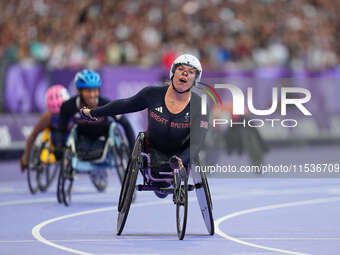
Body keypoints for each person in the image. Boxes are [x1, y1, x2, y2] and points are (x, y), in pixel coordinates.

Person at [80, 54, 209, 198]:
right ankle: (160, 179)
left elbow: (197, 142)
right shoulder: (152, 94)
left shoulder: (200, 104)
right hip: (154, 151)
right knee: (158, 177)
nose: (185, 73)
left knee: (182, 157)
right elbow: (124, 105)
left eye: (191, 72)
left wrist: (182, 159)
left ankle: (173, 171)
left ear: (195, 79)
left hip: (180, 155)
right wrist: (94, 112)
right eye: (181, 69)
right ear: (173, 72)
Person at [54, 69, 135, 162]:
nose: (92, 95)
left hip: (103, 137)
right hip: (83, 137)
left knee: (98, 150)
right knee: (83, 151)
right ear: (79, 91)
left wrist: (132, 150)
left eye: (95, 90)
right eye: (88, 91)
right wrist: (58, 147)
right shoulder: (68, 105)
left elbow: (126, 123)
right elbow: (61, 129)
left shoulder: (105, 103)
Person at [20, 85, 70, 172]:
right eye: (56, 113)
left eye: (61, 111)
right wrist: (26, 156)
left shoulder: (76, 111)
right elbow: (33, 135)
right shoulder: (48, 117)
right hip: (55, 137)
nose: (59, 115)